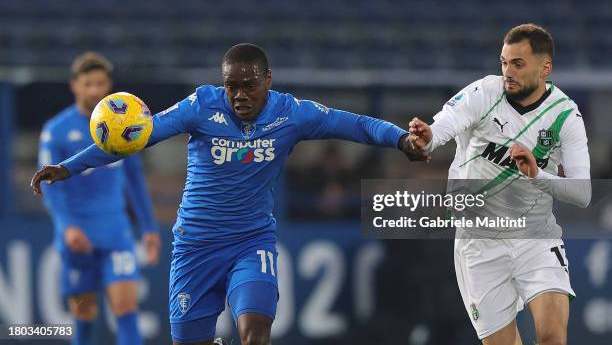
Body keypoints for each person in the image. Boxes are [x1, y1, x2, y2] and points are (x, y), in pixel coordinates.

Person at [32, 43, 428, 345]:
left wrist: (401, 141)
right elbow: (135, 138)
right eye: (231, 86)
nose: (239, 95)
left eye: (249, 86)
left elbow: (354, 124)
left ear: (267, 81)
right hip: (195, 246)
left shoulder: (291, 114)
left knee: (254, 329)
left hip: (249, 241)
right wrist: (68, 166)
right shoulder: (200, 106)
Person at [408, 24, 591, 345]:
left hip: (535, 237)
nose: (508, 72)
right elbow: (443, 128)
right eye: (504, 62)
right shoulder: (483, 93)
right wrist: (428, 138)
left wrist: (538, 175)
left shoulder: (565, 116)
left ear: (545, 68)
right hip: (478, 243)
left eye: (518, 64)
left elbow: (583, 193)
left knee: (552, 338)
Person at [37, 52, 161, 345]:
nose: (95, 90)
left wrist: (149, 227)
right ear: (74, 86)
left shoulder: (123, 126)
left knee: (127, 309)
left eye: (100, 83)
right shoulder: (56, 131)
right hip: (77, 235)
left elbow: (134, 179)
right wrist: (67, 226)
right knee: (84, 315)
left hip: (116, 233)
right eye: (88, 83)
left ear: (109, 85)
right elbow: (51, 187)